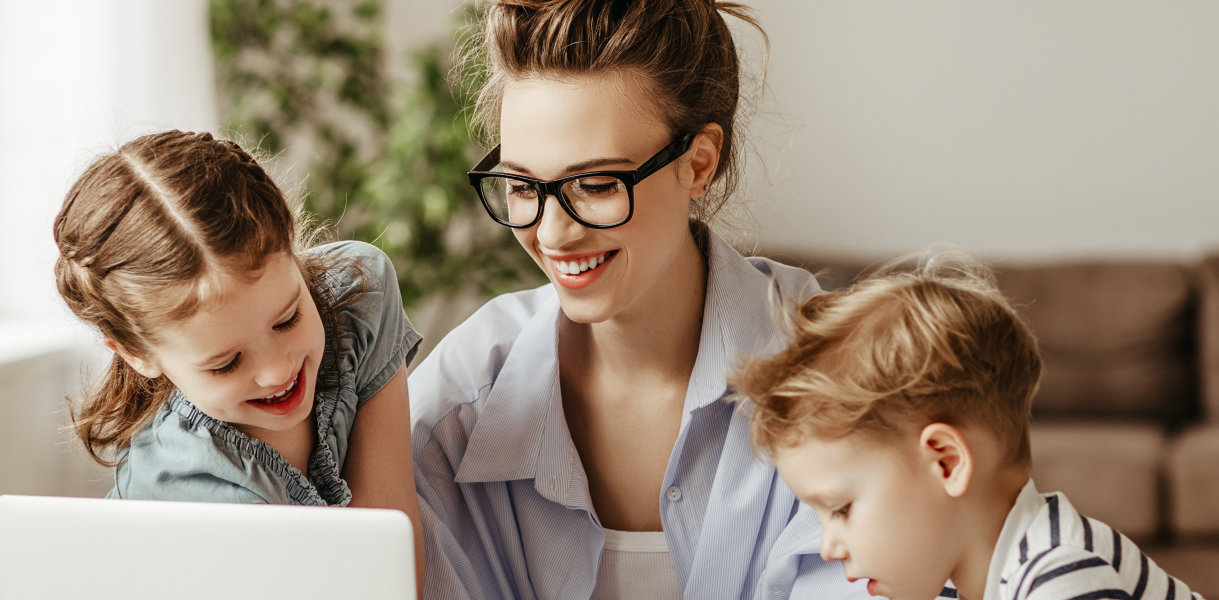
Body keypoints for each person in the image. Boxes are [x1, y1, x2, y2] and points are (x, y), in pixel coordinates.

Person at [408, 1, 867, 597]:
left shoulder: (840, 376)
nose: (551, 235)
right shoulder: (458, 406)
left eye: (596, 184)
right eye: (522, 186)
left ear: (699, 164)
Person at [51, 130, 424, 572]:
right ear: (137, 354)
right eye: (226, 363)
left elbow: (390, 562)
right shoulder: (178, 483)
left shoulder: (362, 293)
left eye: (287, 319)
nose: (277, 371)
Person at [732, 257, 1205, 600]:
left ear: (946, 460)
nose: (828, 547)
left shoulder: (1061, 575)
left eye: (841, 509)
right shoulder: (991, 576)